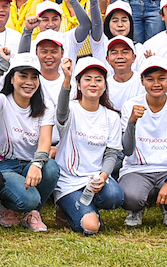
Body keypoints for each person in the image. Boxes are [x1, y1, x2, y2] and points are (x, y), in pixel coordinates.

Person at [116, 58, 167, 228]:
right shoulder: (131, 105)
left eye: (161, 78)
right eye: (150, 79)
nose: (156, 84)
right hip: (137, 169)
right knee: (128, 197)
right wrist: (131, 122)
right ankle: (137, 207)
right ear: (142, 81)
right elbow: (127, 150)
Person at [0, 51, 54, 232]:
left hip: (30, 165)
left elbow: (45, 141)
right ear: (11, 79)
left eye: (34, 77)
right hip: (2, 165)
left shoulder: (46, 107)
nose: (29, 82)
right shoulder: (3, 101)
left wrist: (37, 163)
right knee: (28, 198)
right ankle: (7, 204)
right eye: (23, 76)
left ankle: (32, 214)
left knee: (51, 168)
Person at [51, 55, 125, 234]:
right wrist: (66, 79)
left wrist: (104, 174)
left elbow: (111, 154)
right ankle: (68, 209)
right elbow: (61, 113)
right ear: (79, 84)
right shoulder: (71, 109)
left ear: (105, 86)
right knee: (90, 228)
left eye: (98, 80)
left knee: (116, 197)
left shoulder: (112, 116)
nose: (93, 84)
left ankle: (82, 207)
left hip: (94, 180)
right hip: (69, 181)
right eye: (88, 79)